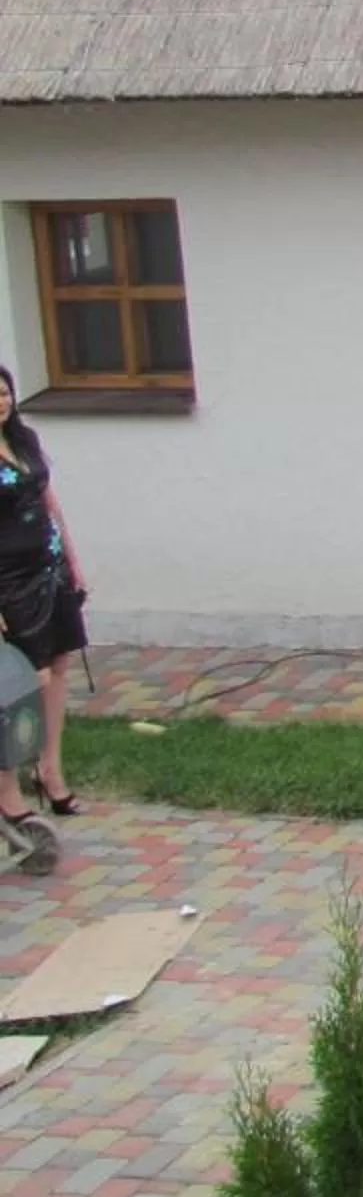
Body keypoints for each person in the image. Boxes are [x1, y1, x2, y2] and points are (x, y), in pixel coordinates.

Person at [0, 364, 85, 875]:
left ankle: (51, 771)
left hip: (48, 572)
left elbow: (51, 503)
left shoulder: (25, 442)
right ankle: (7, 793)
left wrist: (72, 563)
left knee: (58, 669)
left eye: (4, 391)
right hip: (9, 584)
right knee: (17, 687)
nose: (1, 401)